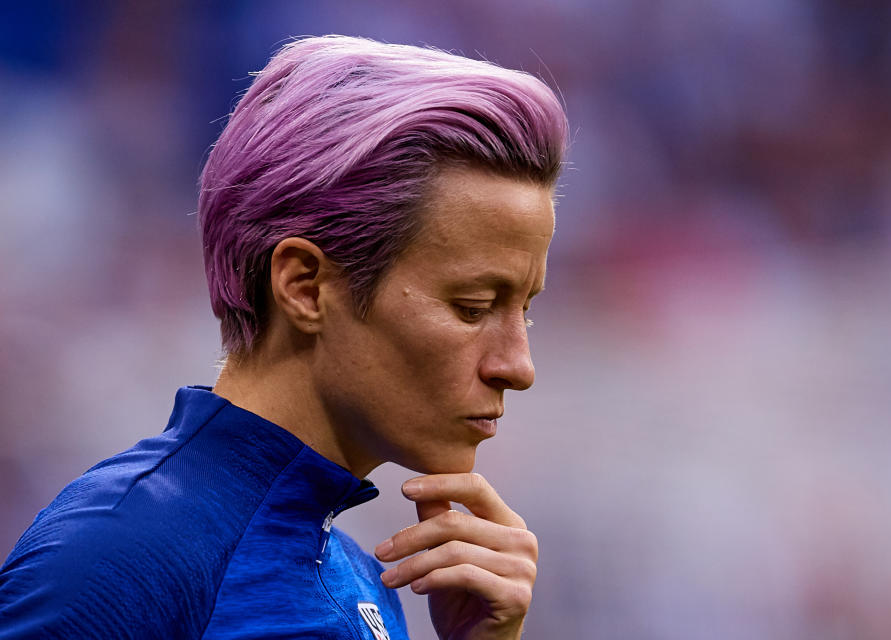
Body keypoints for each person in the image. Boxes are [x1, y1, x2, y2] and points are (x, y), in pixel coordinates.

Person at [0, 35, 567, 640]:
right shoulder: (119, 557)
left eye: (524, 311)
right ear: (304, 287)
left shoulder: (356, 574)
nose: (518, 366)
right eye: (473, 307)